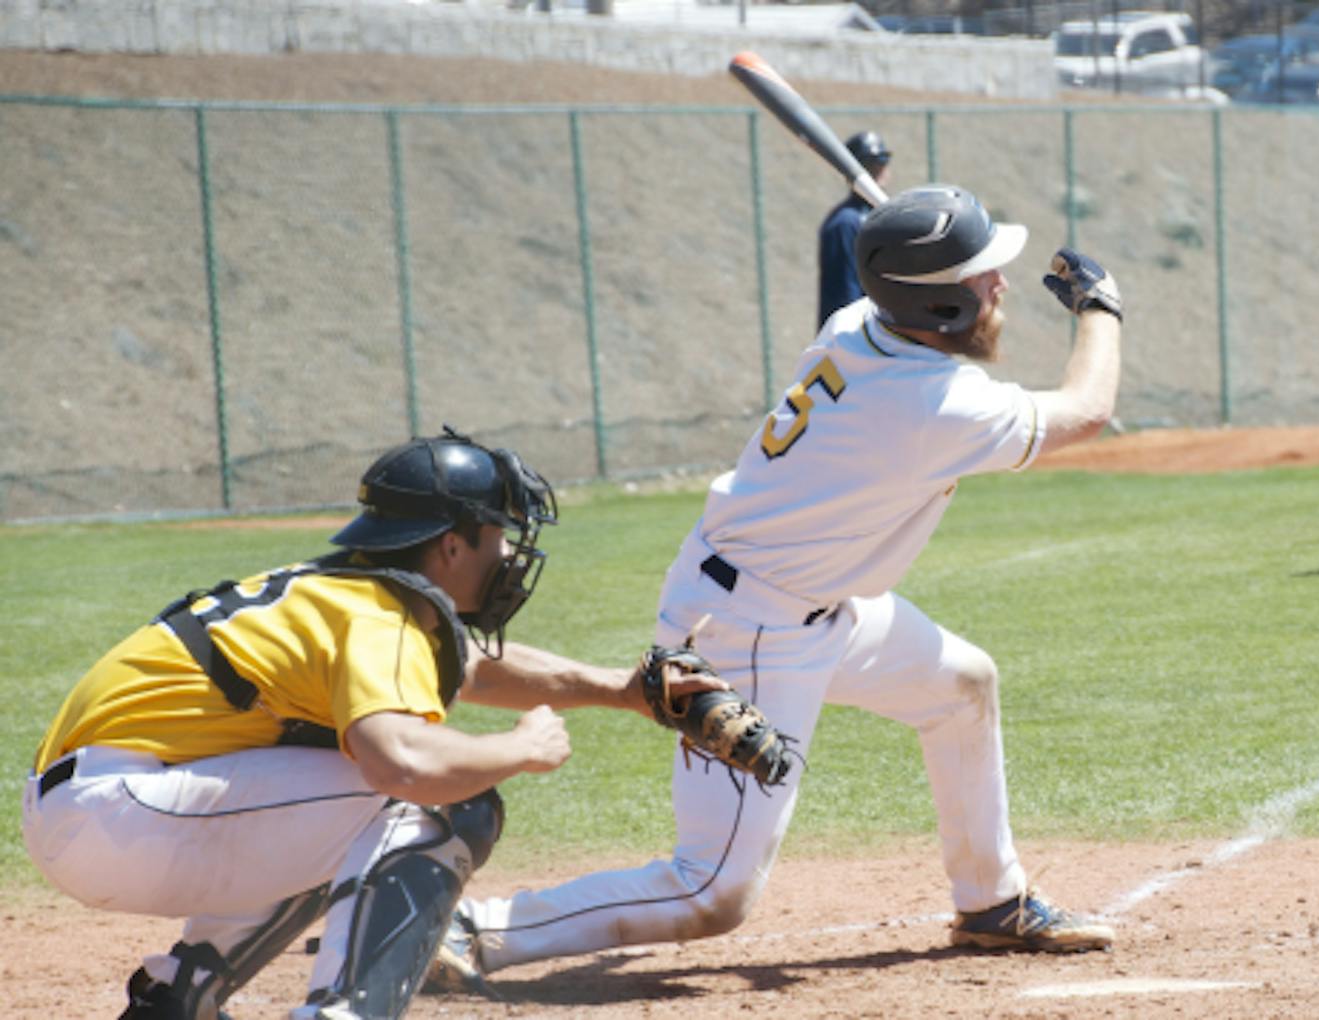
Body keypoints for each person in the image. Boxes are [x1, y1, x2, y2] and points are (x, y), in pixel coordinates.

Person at [429, 184, 1127, 990]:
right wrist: (1099, 306)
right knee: (713, 890)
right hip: (749, 628)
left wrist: (933, 267)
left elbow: (934, 328)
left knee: (961, 683)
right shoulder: (939, 404)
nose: (998, 285)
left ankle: (991, 901)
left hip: (814, 603)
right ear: (932, 304)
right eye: (980, 276)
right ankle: (461, 928)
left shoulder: (859, 326)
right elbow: (1088, 408)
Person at [21, 429, 722, 1019]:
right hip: (124, 813)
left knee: (347, 812)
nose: (507, 555)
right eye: (496, 535)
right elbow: (401, 765)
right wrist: (518, 748)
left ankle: (177, 1001)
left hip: (106, 807)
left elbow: (470, 670)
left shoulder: (347, 594)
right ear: (450, 545)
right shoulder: (378, 619)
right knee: (437, 799)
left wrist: (627, 692)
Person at [816, 130, 893, 329]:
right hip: (851, 341)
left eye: (882, 160)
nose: (878, 168)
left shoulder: (884, 217)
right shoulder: (845, 223)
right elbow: (843, 296)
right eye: (869, 164)